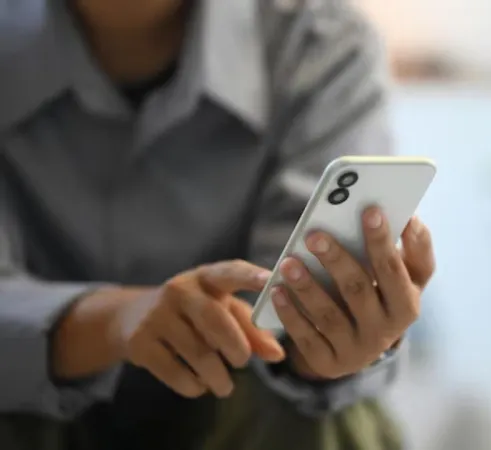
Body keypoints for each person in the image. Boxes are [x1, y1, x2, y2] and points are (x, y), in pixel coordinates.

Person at [0, 0, 437, 449]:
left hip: (254, 407)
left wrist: (328, 348)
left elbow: (292, 331)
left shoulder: (322, 46)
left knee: (325, 415)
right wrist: (117, 320)